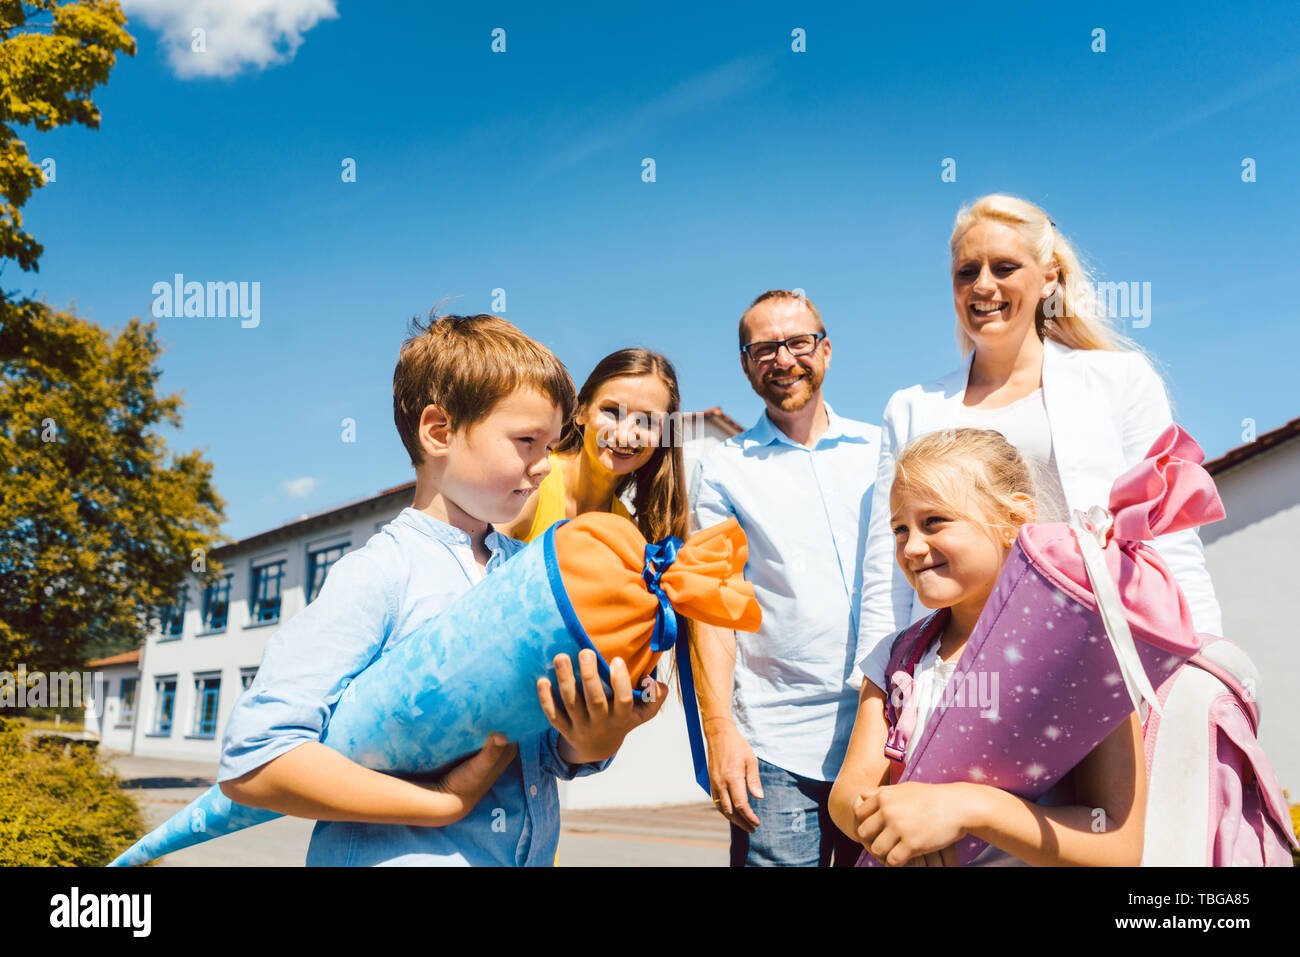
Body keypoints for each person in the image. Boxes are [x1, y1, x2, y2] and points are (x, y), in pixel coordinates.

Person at [217, 313, 667, 866]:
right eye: (527, 441)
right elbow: (255, 761)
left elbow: (538, 749)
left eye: (550, 445)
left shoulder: (524, 573)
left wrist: (593, 739)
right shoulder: (381, 573)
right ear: (438, 432)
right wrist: (439, 803)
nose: (545, 466)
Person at [856, 193, 1222, 693]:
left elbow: (1170, 535)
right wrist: (877, 686)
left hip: (1096, 651)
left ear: (1048, 276)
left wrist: (1205, 661)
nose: (983, 285)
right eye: (967, 272)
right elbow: (888, 561)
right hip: (959, 672)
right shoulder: (910, 407)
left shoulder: (1121, 381)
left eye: (1004, 267)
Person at [829, 428, 1146, 866]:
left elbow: (1118, 846)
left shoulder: (1083, 654)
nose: (912, 547)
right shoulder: (895, 659)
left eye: (934, 521)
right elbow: (846, 793)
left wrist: (971, 809)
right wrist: (892, 825)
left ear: (1015, 522)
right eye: (900, 529)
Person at [691, 289, 881, 866]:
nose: (783, 358)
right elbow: (712, 607)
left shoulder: (883, 449)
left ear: (826, 349)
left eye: (798, 342)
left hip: (885, 732)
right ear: (747, 364)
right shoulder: (723, 470)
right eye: (764, 347)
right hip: (775, 746)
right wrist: (720, 731)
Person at [502, 348, 690, 547]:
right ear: (581, 412)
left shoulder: (629, 532)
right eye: (612, 411)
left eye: (647, 421)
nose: (624, 435)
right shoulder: (530, 485)